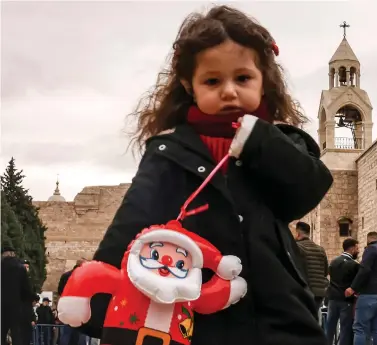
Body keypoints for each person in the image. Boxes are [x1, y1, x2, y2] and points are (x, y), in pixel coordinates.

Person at [67, 5, 333, 345]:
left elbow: (307, 189)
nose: (228, 91)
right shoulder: (168, 151)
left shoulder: (282, 141)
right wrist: (100, 298)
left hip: (278, 318)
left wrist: (259, 142)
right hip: (192, 319)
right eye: (212, 80)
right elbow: (132, 224)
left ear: (264, 80)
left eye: (243, 78)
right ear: (189, 86)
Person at [326, 238, 360, 345]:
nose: (358, 251)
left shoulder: (334, 262)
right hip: (346, 300)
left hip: (332, 298)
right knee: (345, 328)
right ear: (353, 248)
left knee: (330, 326)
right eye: (357, 248)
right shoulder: (354, 264)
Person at [2, 246, 34, 345]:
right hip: (16, 305)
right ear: (13, 254)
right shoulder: (20, 267)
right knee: (17, 334)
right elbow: (26, 288)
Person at [295, 221, 329, 309]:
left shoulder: (296, 247)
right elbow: (325, 272)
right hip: (319, 292)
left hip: (304, 291)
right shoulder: (321, 249)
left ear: (297, 233)